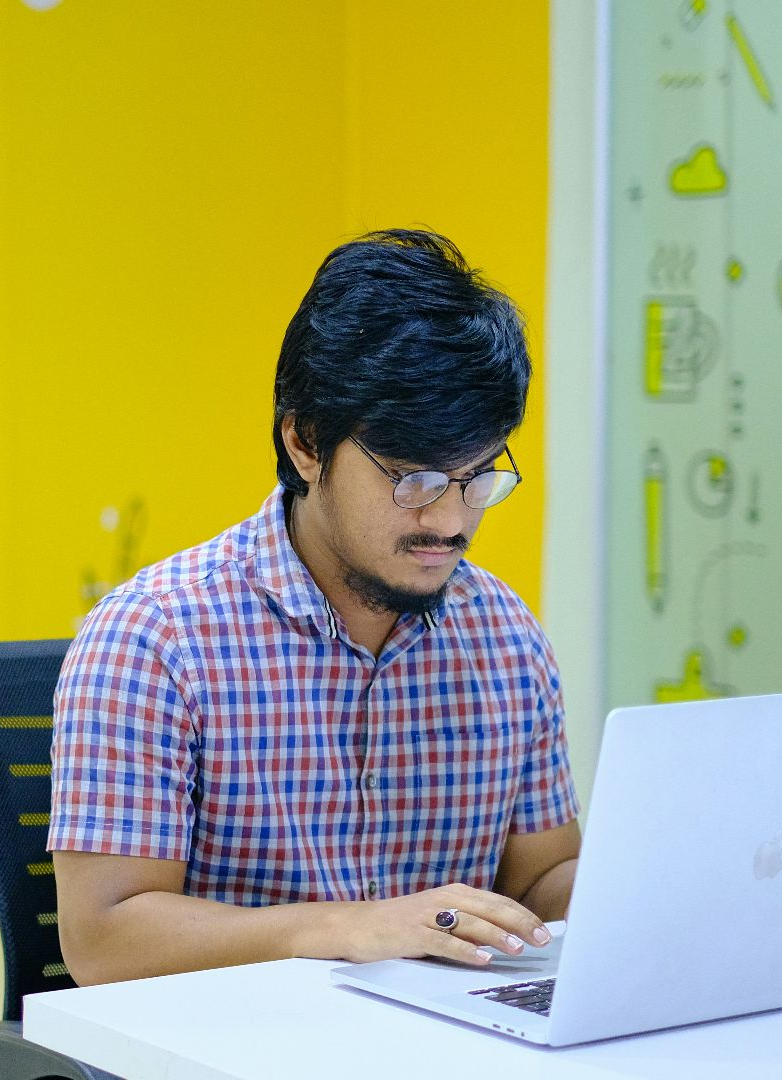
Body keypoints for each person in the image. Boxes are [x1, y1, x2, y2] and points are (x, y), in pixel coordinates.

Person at [47, 229, 580, 985]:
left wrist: (649, 891)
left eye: (478, 477)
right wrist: (344, 927)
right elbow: (104, 941)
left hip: (445, 1034)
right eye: (415, 479)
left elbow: (540, 881)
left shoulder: (505, 636)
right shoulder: (156, 638)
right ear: (305, 443)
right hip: (236, 1036)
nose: (450, 520)